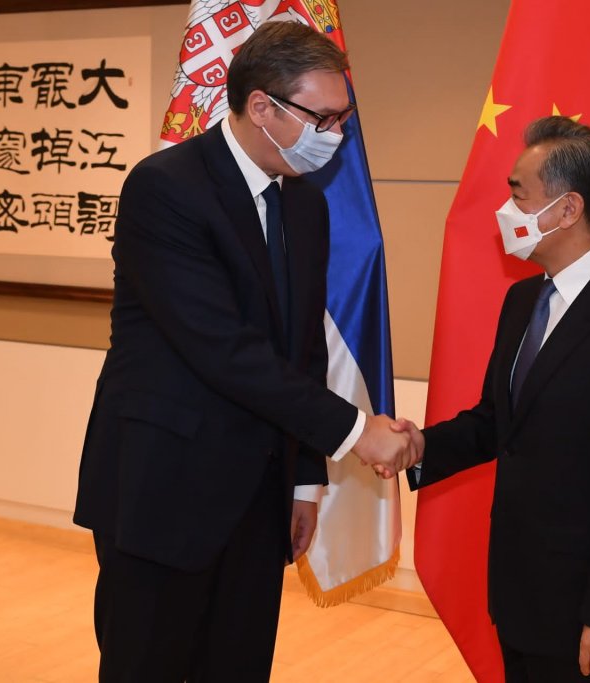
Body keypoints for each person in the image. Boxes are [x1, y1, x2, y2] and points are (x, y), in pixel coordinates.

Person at [73, 21, 416, 682]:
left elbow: (304, 349)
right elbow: (221, 348)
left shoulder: (306, 205)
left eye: (343, 119)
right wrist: (357, 431)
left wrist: (306, 480)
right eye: (322, 119)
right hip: (163, 489)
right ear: (262, 107)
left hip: (259, 499)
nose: (335, 136)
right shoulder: (166, 187)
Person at [397, 116, 590, 682]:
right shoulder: (523, 301)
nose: (505, 209)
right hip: (520, 594)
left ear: (567, 209)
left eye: (518, 194)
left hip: (589, 611)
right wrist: (417, 447)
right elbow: (498, 424)